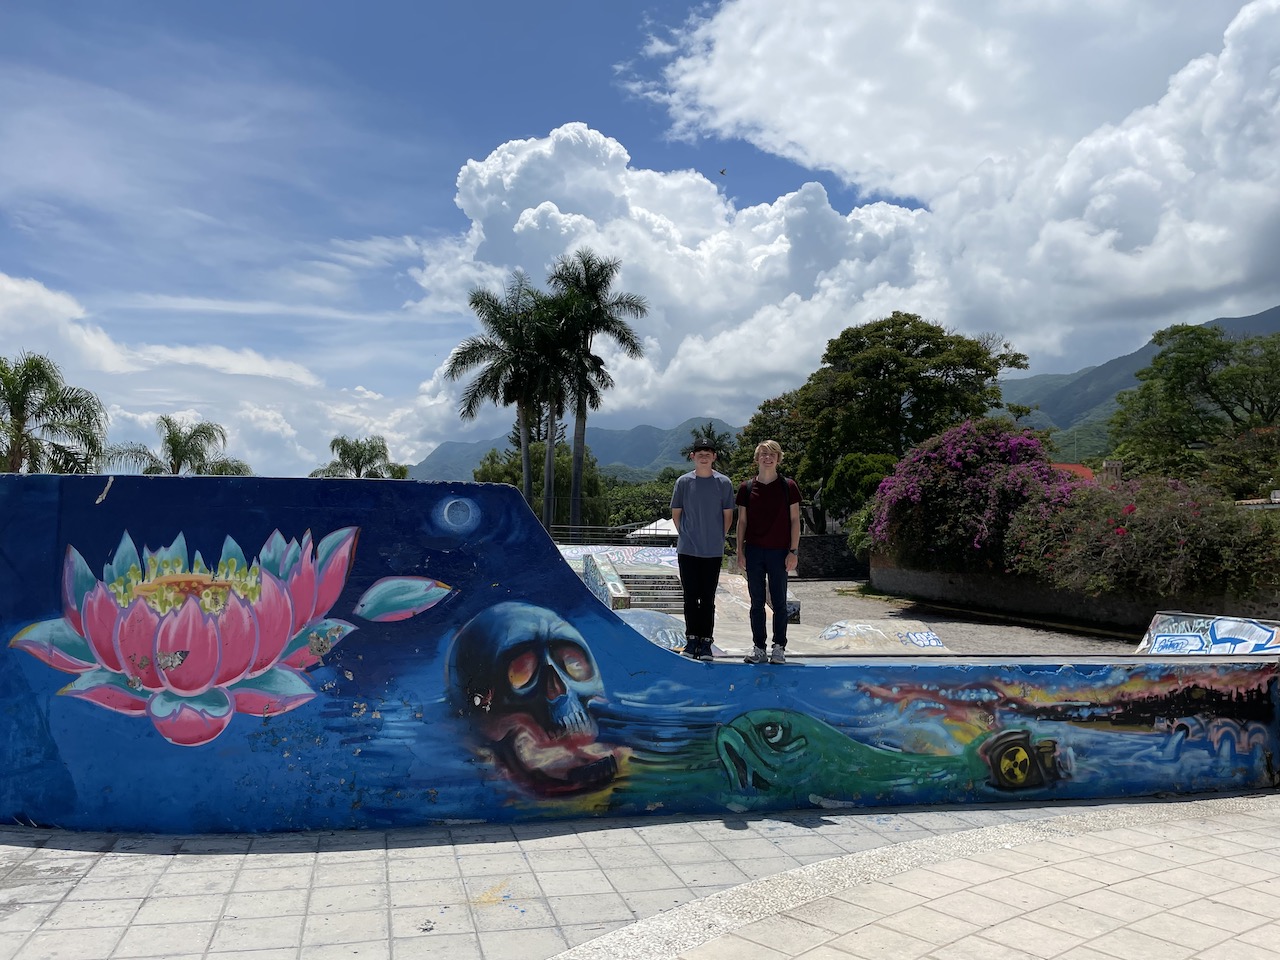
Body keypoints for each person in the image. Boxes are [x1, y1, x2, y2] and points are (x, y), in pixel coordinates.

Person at [736, 440, 801, 664]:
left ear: (778, 458)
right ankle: (759, 648)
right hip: (754, 551)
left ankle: (779, 646)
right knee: (756, 602)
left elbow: (795, 520)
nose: (767, 457)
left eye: (772, 454)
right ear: (757, 458)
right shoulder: (746, 488)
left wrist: (793, 551)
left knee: (780, 601)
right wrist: (739, 551)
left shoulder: (788, 486)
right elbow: (741, 522)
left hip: (780, 551)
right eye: (763, 454)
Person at [669, 438, 735, 661]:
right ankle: (691, 640)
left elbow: (728, 517)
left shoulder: (724, 483)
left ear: (714, 456)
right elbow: (676, 513)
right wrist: (686, 534)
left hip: (712, 551)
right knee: (690, 597)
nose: (704, 455)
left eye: (708, 451)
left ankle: (706, 641)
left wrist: (716, 538)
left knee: (707, 598)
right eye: (700, 452)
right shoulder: (683, 482)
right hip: (688, 550)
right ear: (692, 456)